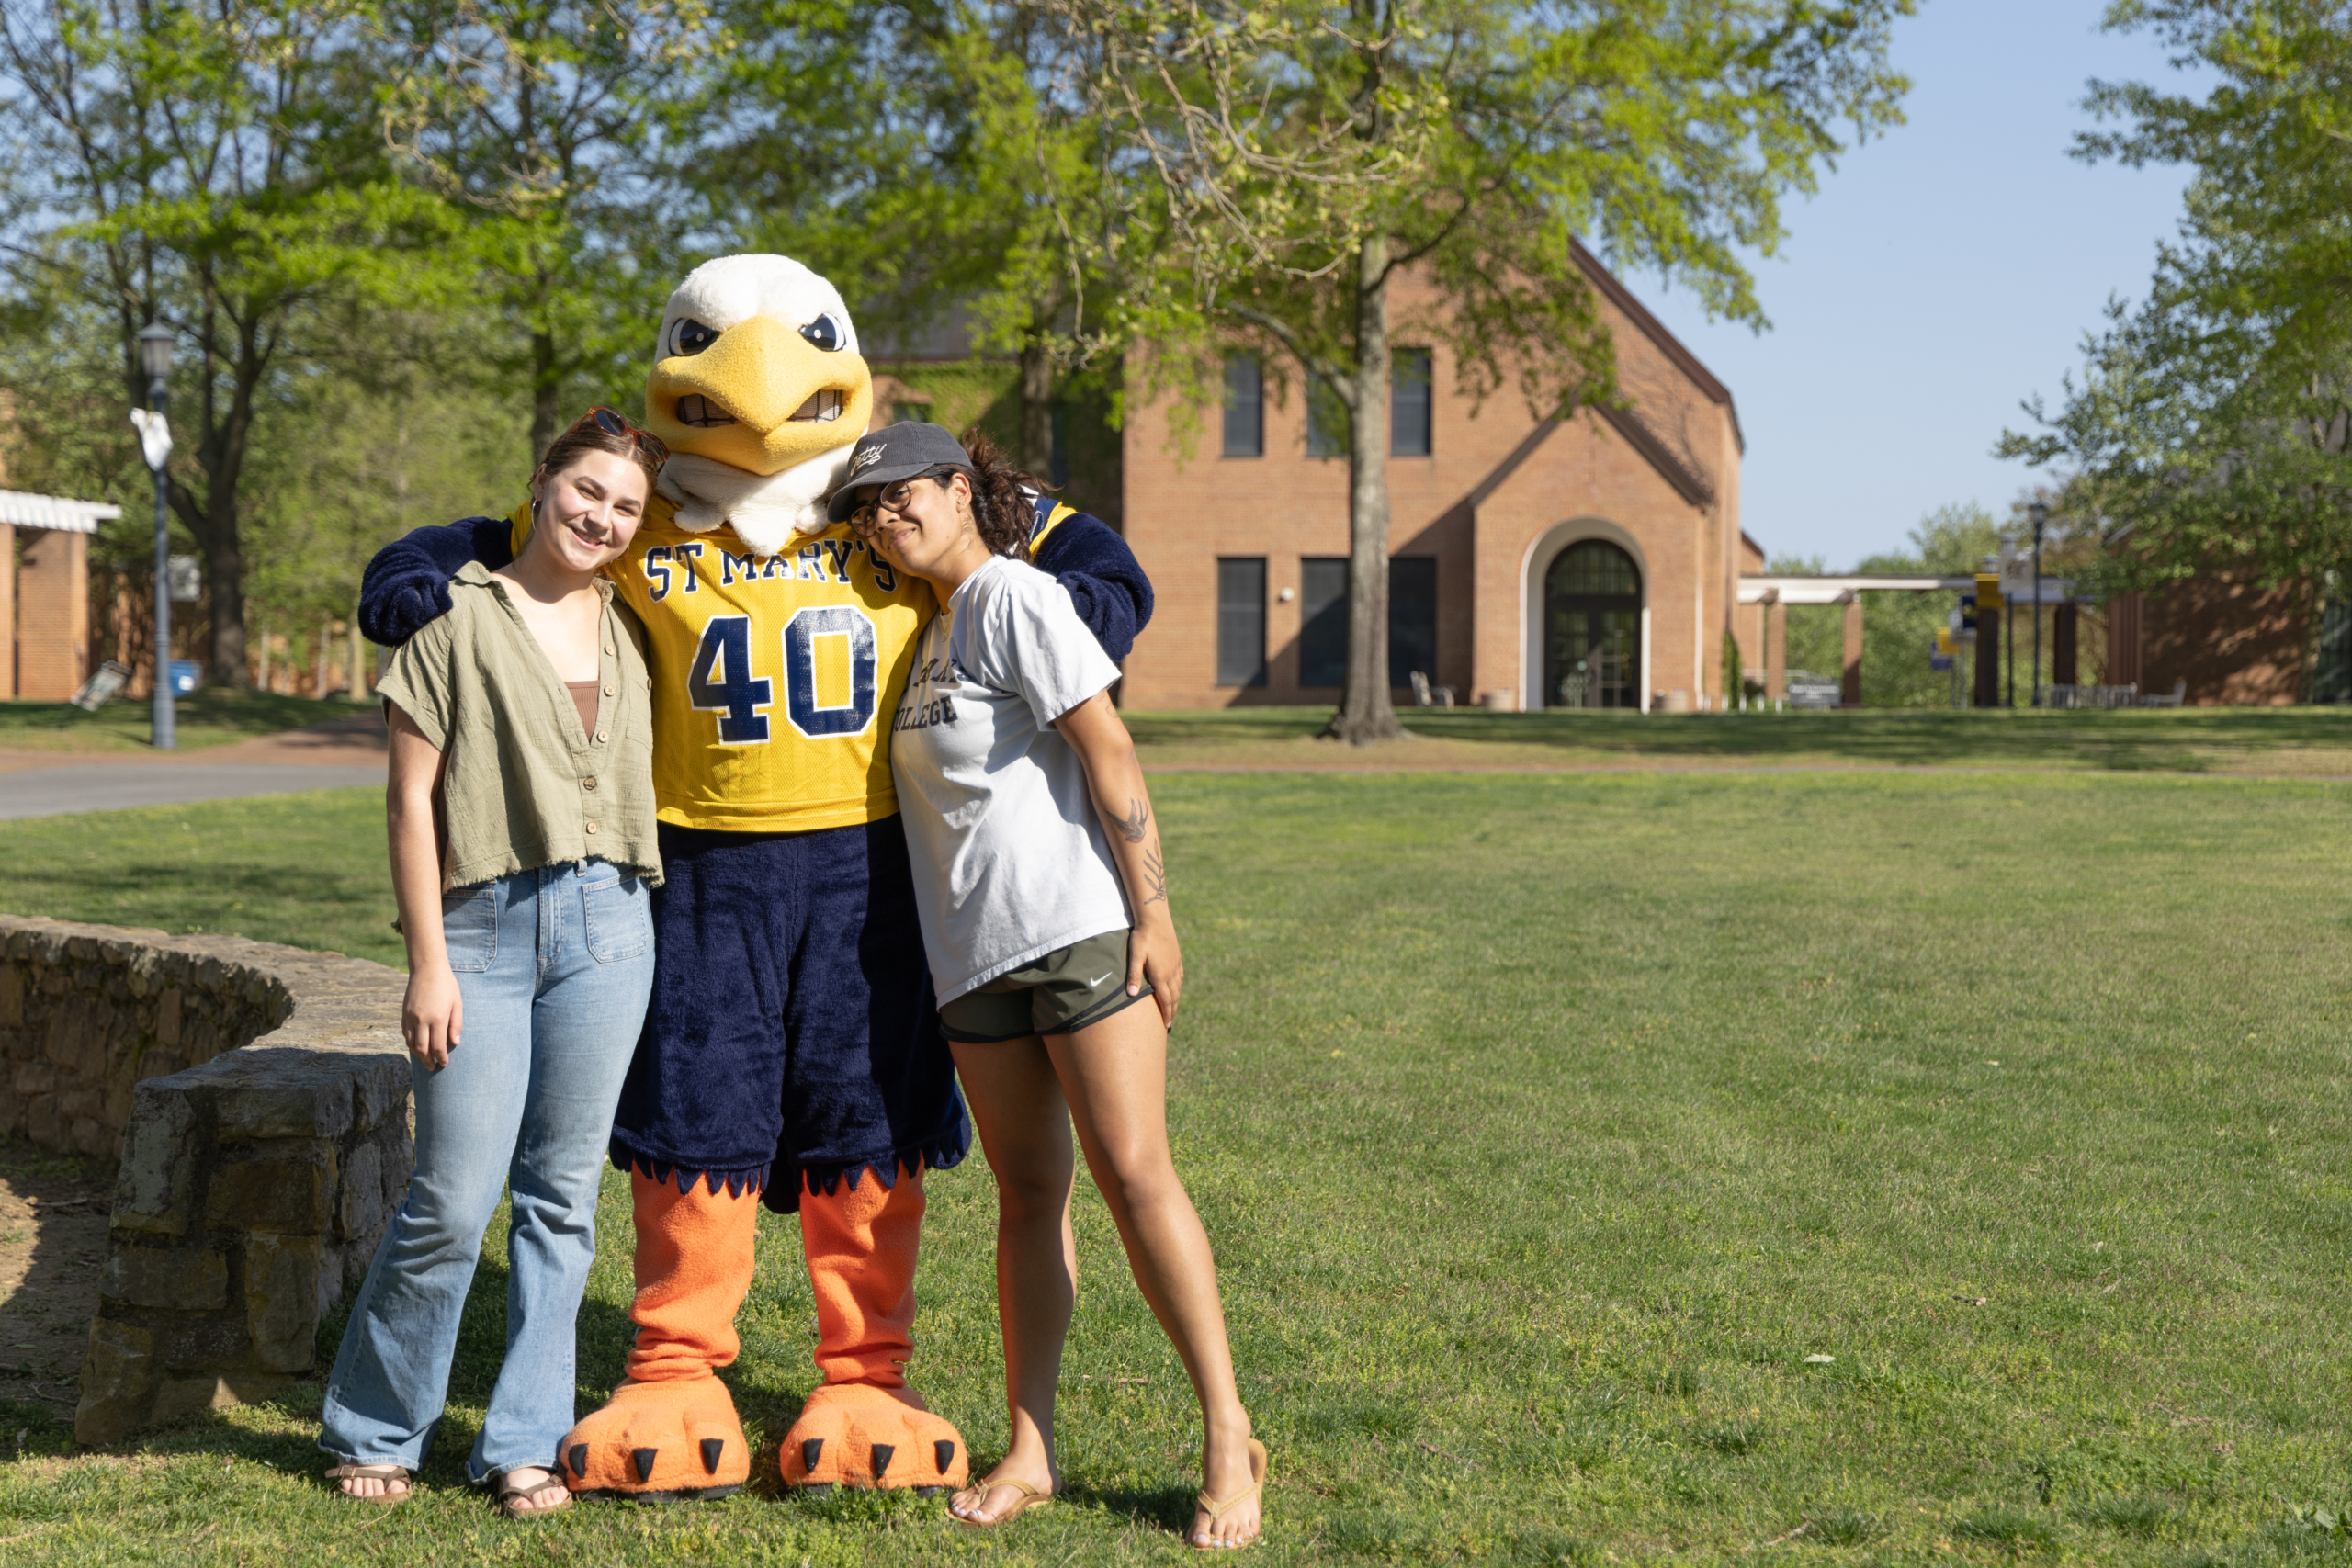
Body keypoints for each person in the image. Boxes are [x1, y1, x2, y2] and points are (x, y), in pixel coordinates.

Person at [841, 423, 1266, 1550]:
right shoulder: (925, 636)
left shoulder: (1017, 598)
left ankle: (1228, 1431)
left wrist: (1156, 916)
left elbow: (1109, 751)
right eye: (868, 507)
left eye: (902, 494)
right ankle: (1032, 1444)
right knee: (1029, 1199)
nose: (886, 518)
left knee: (1134, 1178)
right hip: (972, 964)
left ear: (958, 489)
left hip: (1078, 934)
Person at [319, 409, 667, 1517]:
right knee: (453, 1198)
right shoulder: (450, 615)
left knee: (562, 1200)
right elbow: (409, 800)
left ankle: (525, 1439)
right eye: (587, 493)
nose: (602, 519)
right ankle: (376, 1425)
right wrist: (430, 963)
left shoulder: (632, 627)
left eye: (625, 507)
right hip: (480, 930)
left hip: (612, 926)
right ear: (539, 484)